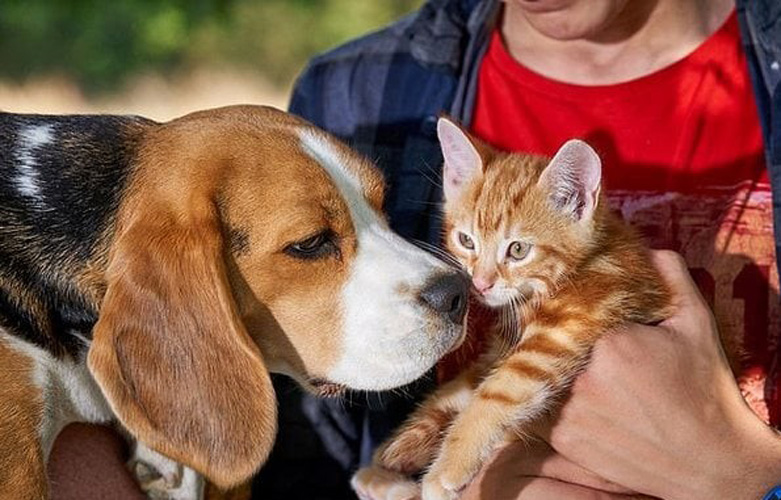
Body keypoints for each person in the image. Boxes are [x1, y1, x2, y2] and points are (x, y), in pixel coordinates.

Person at [264, 0, 781, 497]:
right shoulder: (354, 93)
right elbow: (305, 462)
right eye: (466, 244)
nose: (481, 280)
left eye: (510, 253)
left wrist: (741, 479)